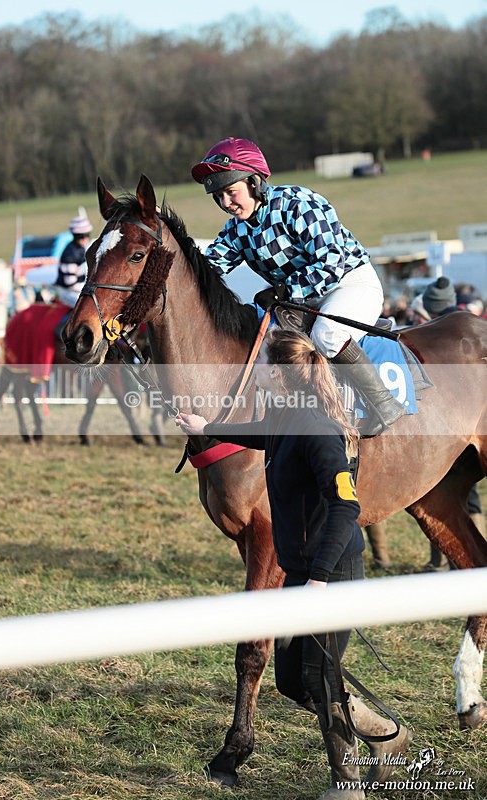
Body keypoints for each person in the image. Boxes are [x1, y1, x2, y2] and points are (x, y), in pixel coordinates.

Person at [176, 327, 410, 799]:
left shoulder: (319, 429)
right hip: (303, 570)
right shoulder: (286, 417)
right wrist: (206, 428)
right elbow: (259, 435)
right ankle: (387, 735)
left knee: (319, 680)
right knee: (292, 682)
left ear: (283, 376)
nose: (255, 369)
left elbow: (346, 506)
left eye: (263, 364)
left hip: (331, 572)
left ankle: (345, 787)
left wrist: (320, 579)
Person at [191, 137, 405, 436]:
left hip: (349, 284)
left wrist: (284, 291)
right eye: (218, 196)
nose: (226, 203)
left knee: (328, 335)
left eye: (230, 191)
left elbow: (332, 260)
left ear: (254, 182)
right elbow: (207, 268)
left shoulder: (298, 203)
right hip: (300, 301)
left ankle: (384, 405)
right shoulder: (236, 230)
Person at [419, 277, 486, 568]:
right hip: (453, 424)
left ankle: (441, 561)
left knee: (461, 498)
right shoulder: (450, 322)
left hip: (450, 425)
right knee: (458, 498)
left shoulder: (440, 331)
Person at [54, 213, 93, 309]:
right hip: (67, 292)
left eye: (86, 235)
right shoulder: (70, 254)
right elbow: (70, 283)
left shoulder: (82, 248)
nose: (84, 238)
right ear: (74, 236)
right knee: (86, 307)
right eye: (80, 236)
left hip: (77, 288)